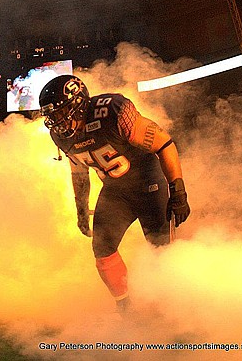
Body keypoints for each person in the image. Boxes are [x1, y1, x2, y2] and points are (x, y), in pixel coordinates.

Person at [39, 75, 190, 313]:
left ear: (78, 104)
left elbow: (164, 143)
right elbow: (79, 171)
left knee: (162, 251)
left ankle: (175, 307)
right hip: (116, 191)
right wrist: (81, 209)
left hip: (148, 184)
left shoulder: (111, 111)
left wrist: (178, 190)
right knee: (102, 249)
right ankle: (126, 305)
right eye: (52, 116)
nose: (57, 122)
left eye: (61, 113)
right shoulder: (60, 135)